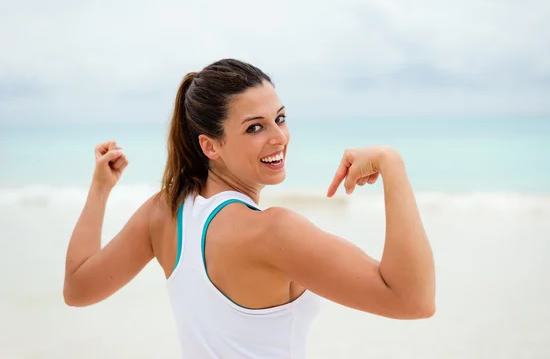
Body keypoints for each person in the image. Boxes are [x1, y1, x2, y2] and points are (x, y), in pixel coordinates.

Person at [63, 59, 436, 358]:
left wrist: (99, 190)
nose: (279, 137)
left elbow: (78, 288)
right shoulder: (274, 232)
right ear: (211, 146)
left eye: (280, 118)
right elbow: (412, 299)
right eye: (255, 128)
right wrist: (392, 164)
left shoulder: (164, 211)